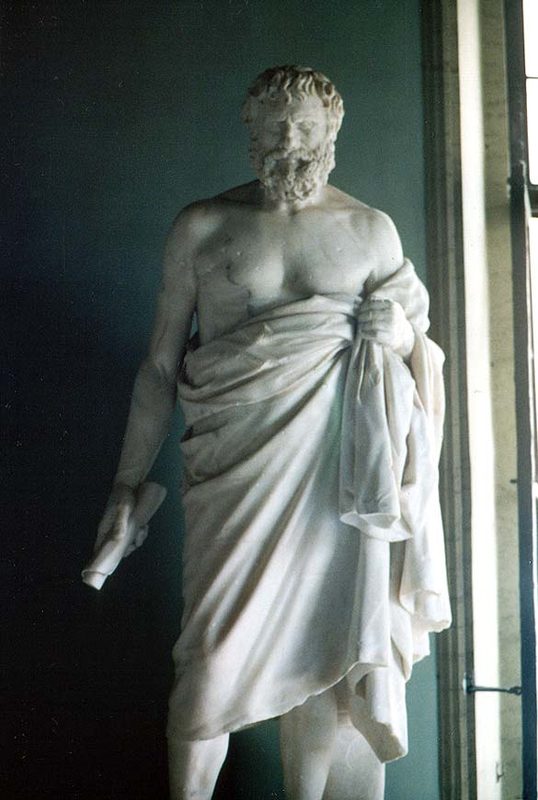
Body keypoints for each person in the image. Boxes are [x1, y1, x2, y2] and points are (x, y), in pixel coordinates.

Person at [93, 66, 451, 800]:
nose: (292, 139)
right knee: (208, 665)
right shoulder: (203, 227)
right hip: (234, 476)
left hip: (337, 482)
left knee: (329, 659)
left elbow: (418, 360)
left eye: (307, 125)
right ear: (250, 132)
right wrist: (127, 483)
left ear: (332, 131)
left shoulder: (368, 231)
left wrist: (403, 335)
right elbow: (160, 368)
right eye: (276, 125)